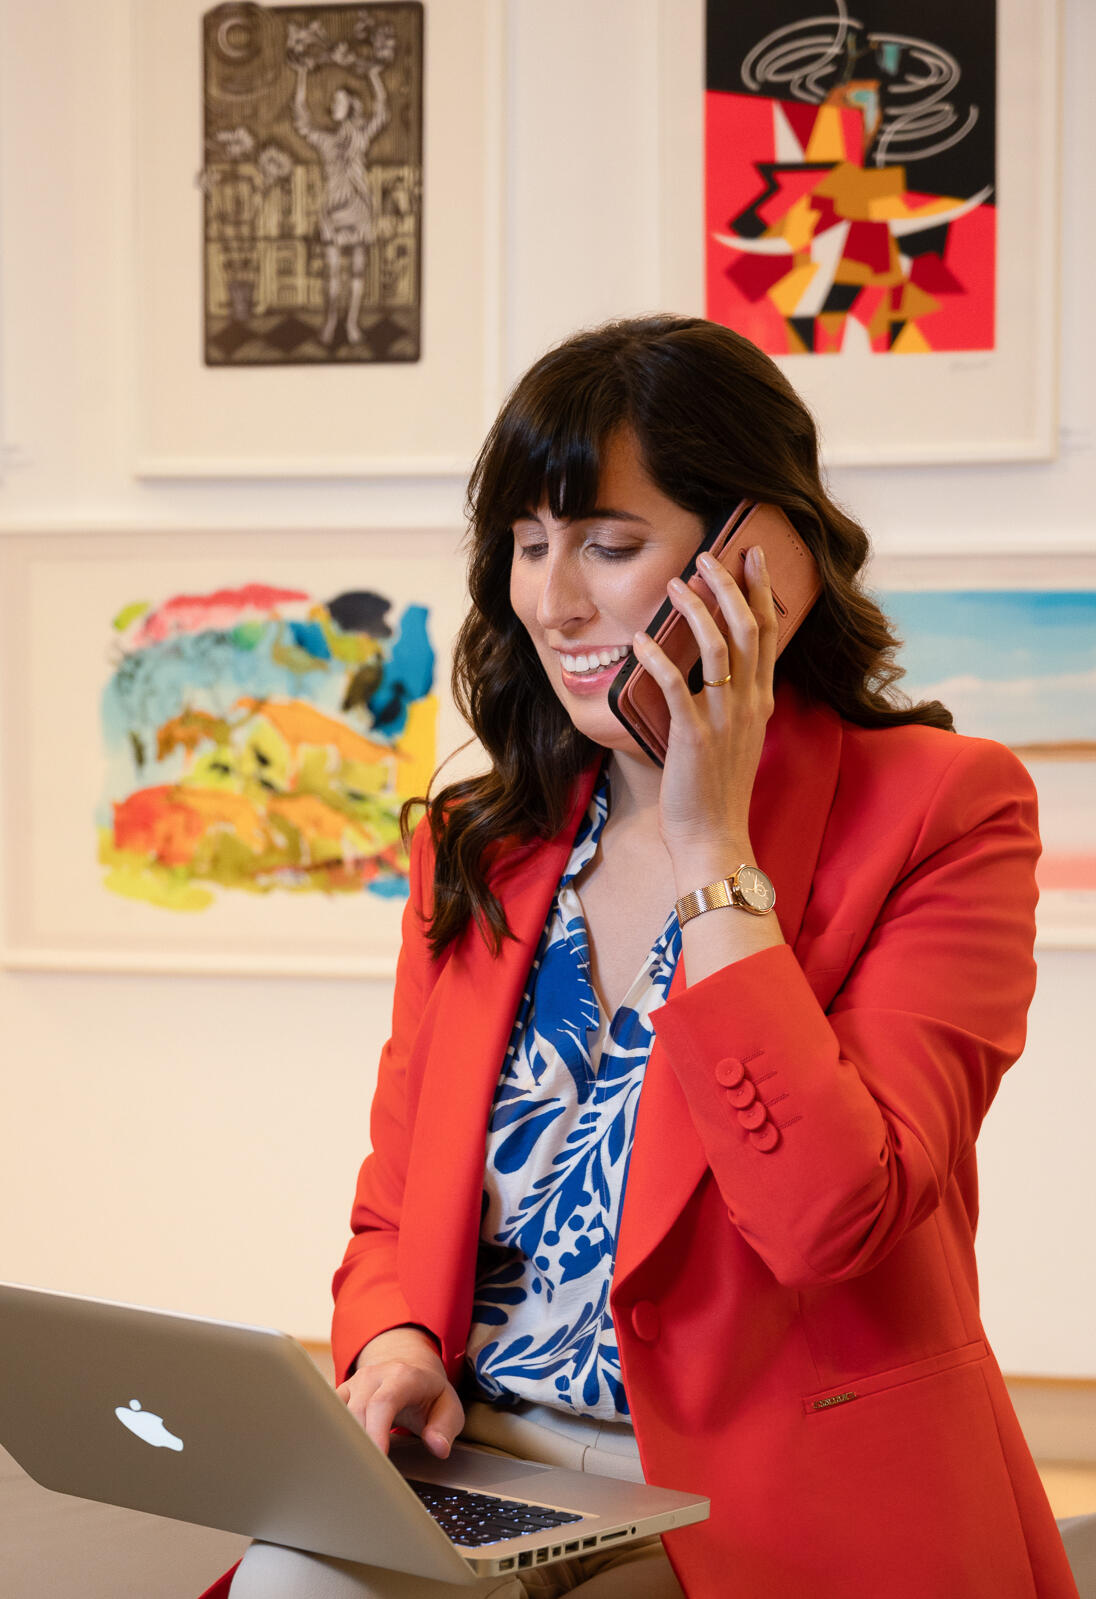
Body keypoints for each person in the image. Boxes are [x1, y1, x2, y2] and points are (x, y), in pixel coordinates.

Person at [200, 316, 1078, 1598]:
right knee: (293, 1585)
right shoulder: (482, 839)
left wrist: (710, 847)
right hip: (482, 1455)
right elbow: (396, 1200)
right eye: (529, 545)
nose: (554, 600)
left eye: (608, 547)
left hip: (756, 1488)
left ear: (762, 560)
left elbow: (833, 1221)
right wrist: (392, 1339)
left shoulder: (942, 809)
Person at [290, 62, 389, 347]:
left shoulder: (360, 136)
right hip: (333, 211)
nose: (333, 105)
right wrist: (301, 75)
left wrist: (374, 76)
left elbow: (382, 112)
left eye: (339, 101)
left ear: (351, 107)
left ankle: (352, 323)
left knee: (357, 270)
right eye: (333, 101)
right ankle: (331, 322)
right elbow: (301, 118)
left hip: (359, 208)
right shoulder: (326, 141)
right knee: (332, 272)